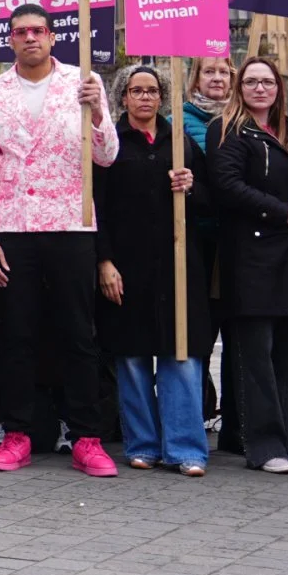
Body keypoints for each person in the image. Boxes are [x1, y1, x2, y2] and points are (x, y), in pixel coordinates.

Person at [0, 1, 120, 477]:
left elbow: (107, 156)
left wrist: (97, 112)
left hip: (70, 224)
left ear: (53, 37)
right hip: (15, 227)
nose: (30, 37)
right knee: (18, 334)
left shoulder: (82, 83)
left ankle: (87, 437)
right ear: (9, 40)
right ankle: (19, 432)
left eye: (38, 30)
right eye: (20, 32)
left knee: (79, 334)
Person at [208, 55, 288, 475]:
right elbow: (227, 186)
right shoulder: (227, 130)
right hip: (254, 257)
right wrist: (281, 212)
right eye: (252, 82)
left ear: (280, 88)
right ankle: (264, 445)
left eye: (268, 82)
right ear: (240, 88)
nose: (261, 89)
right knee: (257, 357)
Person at [95, 64, 210, 475]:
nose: (145, 98)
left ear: (162, 97)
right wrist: (104, 261)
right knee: (133, 358)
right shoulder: (109, 144)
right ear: (123, 97)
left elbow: (210, 202)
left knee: (181, 356)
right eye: (136, 91)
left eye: (152, 91)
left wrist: (190, 186)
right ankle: (142, 443)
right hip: (128, 266)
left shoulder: (179, 141)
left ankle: (185, 448)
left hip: (178, 265)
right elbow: (97, 207)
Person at [178, 55, 236, 438]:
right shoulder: (178, 121)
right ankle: (194, 412)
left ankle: (237, 420)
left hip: (239, 242)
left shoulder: (244, 120)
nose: (217, 78)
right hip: (198, 241)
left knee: (238, 335)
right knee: (198, 333)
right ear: (195, 79)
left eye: (224, 72)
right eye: (209, 71)